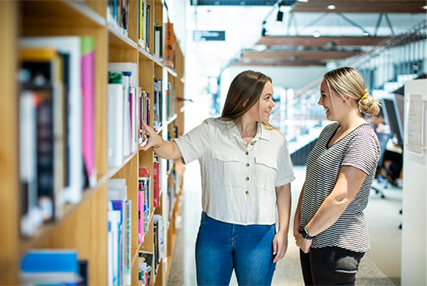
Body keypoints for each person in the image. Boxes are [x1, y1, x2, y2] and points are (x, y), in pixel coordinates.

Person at [140, 70, 296, 285]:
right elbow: (174, 150)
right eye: (267, 98)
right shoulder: (211, 131)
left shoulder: (277, 140)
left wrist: (283, 232)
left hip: (260, 237)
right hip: (214, 232)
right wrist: (157, 142)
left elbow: (283, 188)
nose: (273, 104)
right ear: (245, 100)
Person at [293, 67, 381, 285]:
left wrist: (309, 233)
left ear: (345, 97)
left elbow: (341, 197)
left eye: (324, 95)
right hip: (312, 237)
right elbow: (311, 178)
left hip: (337, 245)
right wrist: (300, 222)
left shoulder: (362, 139)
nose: (320, 102)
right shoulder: (329, 131)